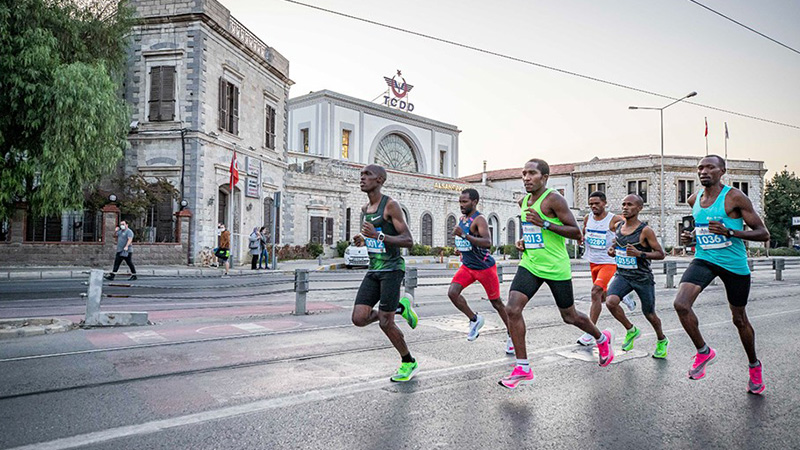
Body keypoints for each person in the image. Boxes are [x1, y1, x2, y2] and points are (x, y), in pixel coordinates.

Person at [500, 159, 614, 389]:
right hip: (531, 264)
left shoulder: (554, 199)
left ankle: (602, 339)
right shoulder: (523, 201)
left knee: (569, 316)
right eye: (523, 174)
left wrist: (544, 224)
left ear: (545, 177)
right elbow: (532, 230)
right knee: (512, 309)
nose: (526, 178)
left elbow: (574, 232)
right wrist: (525, 241)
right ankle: (523, 367)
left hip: (555, 267)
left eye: (532, 173)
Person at [674, 155, 770, 394]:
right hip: (705, 259)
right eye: (700, 168)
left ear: (722, 171)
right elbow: (702, 227)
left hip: (734, 264)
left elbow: (763, 233)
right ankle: (704, 352)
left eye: (710, 167)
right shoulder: (694, 199)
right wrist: (692, 237)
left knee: (739, 319)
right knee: (681, 304)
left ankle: (754, 366)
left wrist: (730, 232)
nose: (703, 171)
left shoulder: (734, 197)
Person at [352, 164, 419, 382]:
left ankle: (408, 362)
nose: (362, 178)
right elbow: (375, 235)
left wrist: (378, 237)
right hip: (374, 269)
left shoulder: (391, 206)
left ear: (380, 180)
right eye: (361, 174)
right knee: (359, 319)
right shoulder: (364, 209)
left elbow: (408, 241)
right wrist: (364, 239)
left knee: (385, 322)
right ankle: (401, 307)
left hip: (392, 269)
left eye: (367, 175)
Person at [448, 188, 513, 353]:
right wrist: (461, 249)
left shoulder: (480, 219)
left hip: (485, 268)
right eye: (460, 202)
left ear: (474, 202)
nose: (461, 205)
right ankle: (475, 319)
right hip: (468, 267)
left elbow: (486, 242)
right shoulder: (463, 218)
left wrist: (464, 236)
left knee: (496, 302)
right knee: (452, 293)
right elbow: (470, 243)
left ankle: (512, 334)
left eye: (465, 202)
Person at [604, 194, 669, 358]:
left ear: (639, 208)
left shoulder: (645, 231)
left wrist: (639, 253)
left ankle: (662, 340)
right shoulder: (619, 226)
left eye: (630, 205)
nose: (625, 207)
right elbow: (617, 243)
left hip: (642, 278)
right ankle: (631, 330)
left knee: (649, 314)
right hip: (623, 275)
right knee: (611, 302)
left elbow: (661, 254)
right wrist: (612, 250)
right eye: (623, 204)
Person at [576, 191, 631, 346]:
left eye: (597, 203)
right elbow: (585, 231)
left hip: (609, 262)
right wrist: (582, 238)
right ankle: (622, 295)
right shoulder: (587, 218)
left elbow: (629, 227)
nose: (593, 206)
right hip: (593, 261)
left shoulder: (613, 219)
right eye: (591, 204)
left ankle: (589, 333)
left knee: (595, 292)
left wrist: (618, 244)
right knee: (601, 296)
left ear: (605, 203)